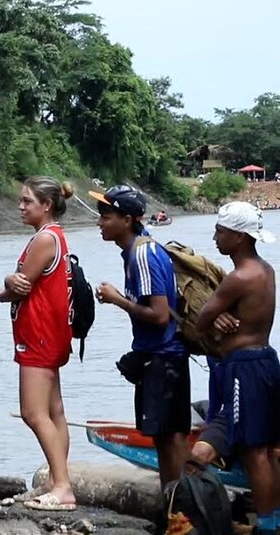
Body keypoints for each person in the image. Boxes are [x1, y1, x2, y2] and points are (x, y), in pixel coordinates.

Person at [89, 185, 191, 492]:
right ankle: (177, 507)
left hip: (163, 358)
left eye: (106, 216)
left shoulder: (142, 254)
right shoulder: (137, 250)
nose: (100, 222)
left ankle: (179, 512)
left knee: (169, 439)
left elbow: (160, 315)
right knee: (166, 437)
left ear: (128, 219)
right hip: (164, 357)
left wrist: (117, 299)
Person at [195, 202, 280, 535]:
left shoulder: (239, 277)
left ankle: (267, 525)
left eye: (221, 231)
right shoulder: (266, 270)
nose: (215, 237)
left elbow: (201, 322)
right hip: (266, 359)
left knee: (254, 450)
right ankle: (273, 518)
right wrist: (221, 314)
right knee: (270, 449)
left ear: (240, 237)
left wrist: (214, 314)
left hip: (244, 367)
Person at [0, 176, 76, 511]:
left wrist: (3, 285)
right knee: (54, 410)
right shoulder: (54, 236)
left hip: (39, 334)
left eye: (27, 201)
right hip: (52, 332)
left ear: (46, 205)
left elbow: (17, 288)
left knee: (32, 411)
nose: (21, 207)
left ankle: (62, 486)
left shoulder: (45, 239)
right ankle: (58, 481)